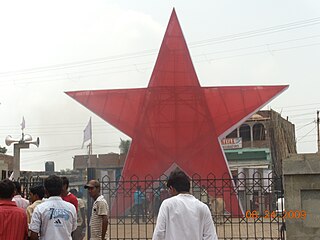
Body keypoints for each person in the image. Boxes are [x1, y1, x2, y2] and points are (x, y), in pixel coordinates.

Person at [152, 170, 218, 240]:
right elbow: (211, 237)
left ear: (172, 188)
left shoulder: (167, 205)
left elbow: (159, 234)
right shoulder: (203, 207)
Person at [29, 175, 77, 240]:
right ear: (61, 189)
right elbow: (73, 230)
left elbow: (34, 235)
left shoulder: (39, 209)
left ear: (45, 191)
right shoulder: (71, 208)